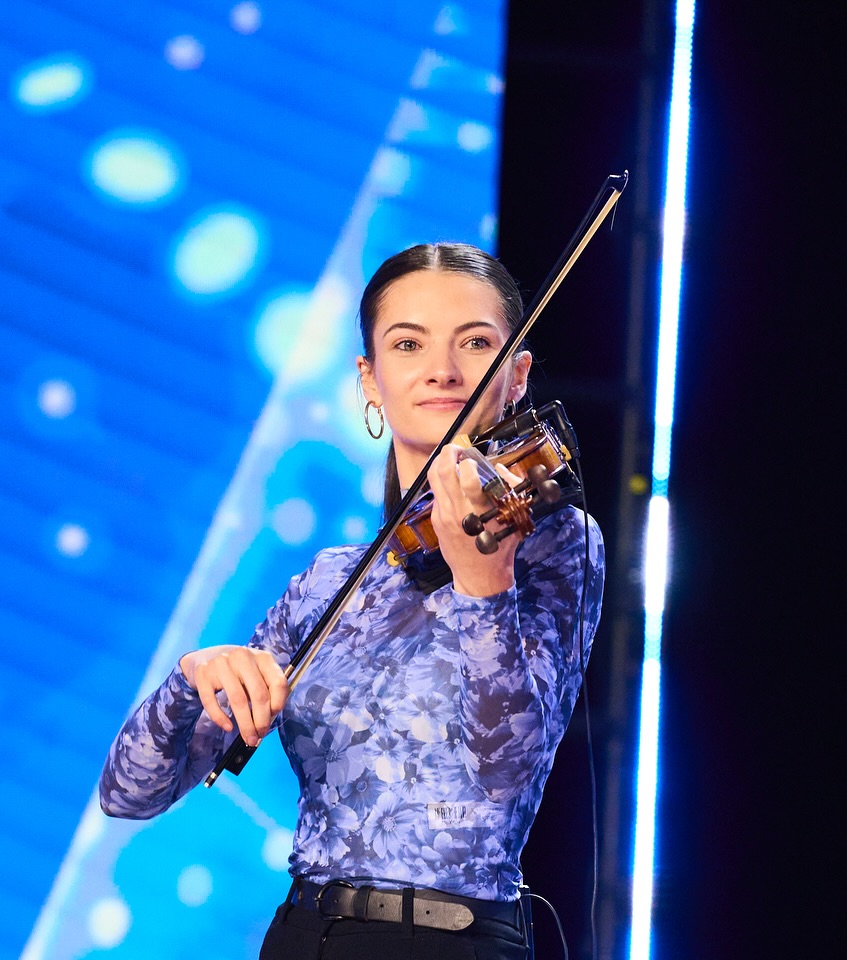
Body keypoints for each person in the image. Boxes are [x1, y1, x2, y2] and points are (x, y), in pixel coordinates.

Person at [99, 242, 606, 960]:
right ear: (370, 379)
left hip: (450, 944)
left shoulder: (554, 543)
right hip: (305, 935)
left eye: (475, 344)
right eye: (409, 344)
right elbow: (129, 796)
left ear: (517, 375)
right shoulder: (330, 581)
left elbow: (503, 776)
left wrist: (484, 586)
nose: (442, 370)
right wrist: (191, 680)